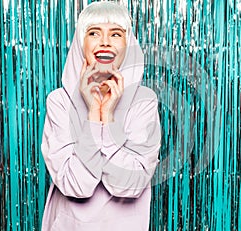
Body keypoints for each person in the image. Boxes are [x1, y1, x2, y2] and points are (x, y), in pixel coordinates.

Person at [41, 2, 161, 230]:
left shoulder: (144, 102)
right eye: (94, 32)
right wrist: (94, 115)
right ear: (80, 43)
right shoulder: (59, 102)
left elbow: (129, 185)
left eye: (116, 33)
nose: (105, 41)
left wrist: (108, 117)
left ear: (128, 45)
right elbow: (76, 186)